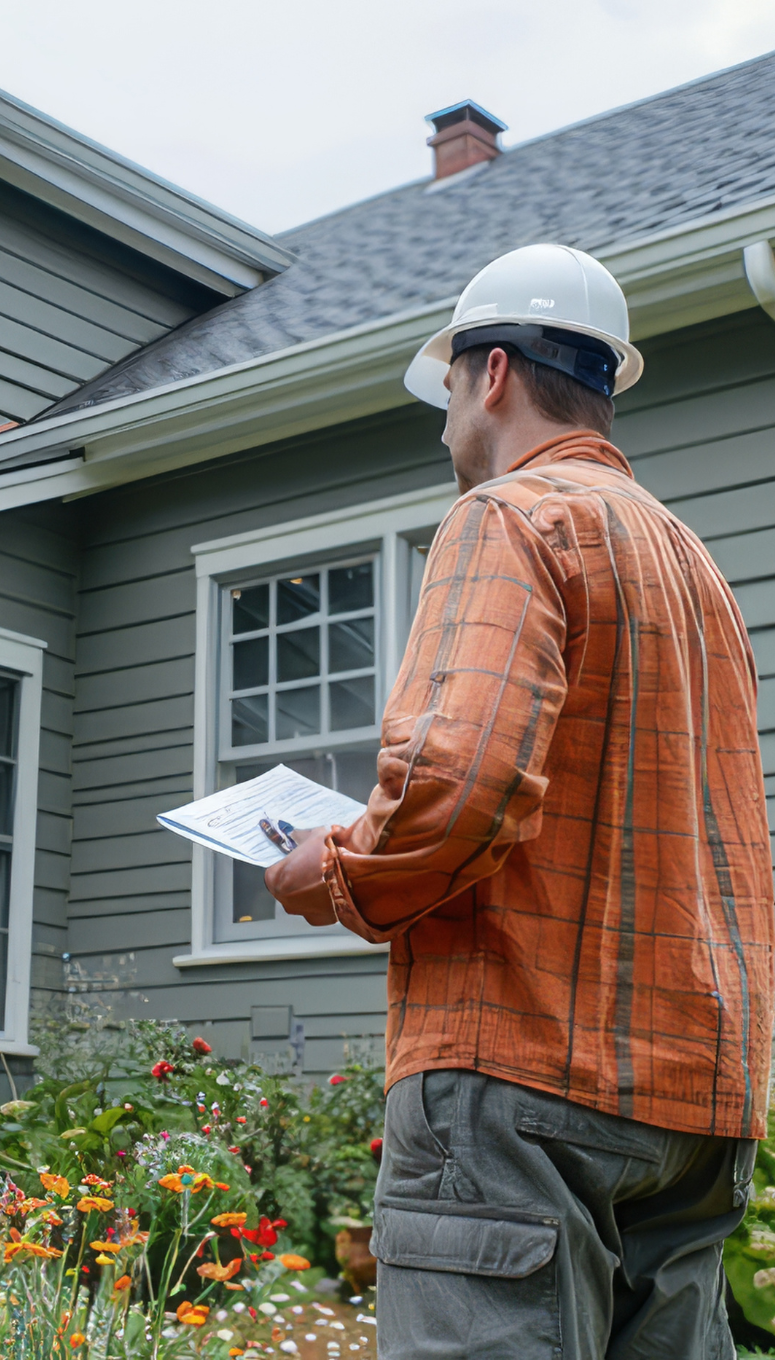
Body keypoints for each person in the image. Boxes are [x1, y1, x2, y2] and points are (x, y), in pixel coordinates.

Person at [264, 243, 775, 1360]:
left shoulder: (507, 515)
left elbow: (457, 785)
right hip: (694, 1102)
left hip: (519, 1081)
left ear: (488, 373)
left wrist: (336, 869)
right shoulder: (694, 568)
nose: (443, 421)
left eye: (444, 389)